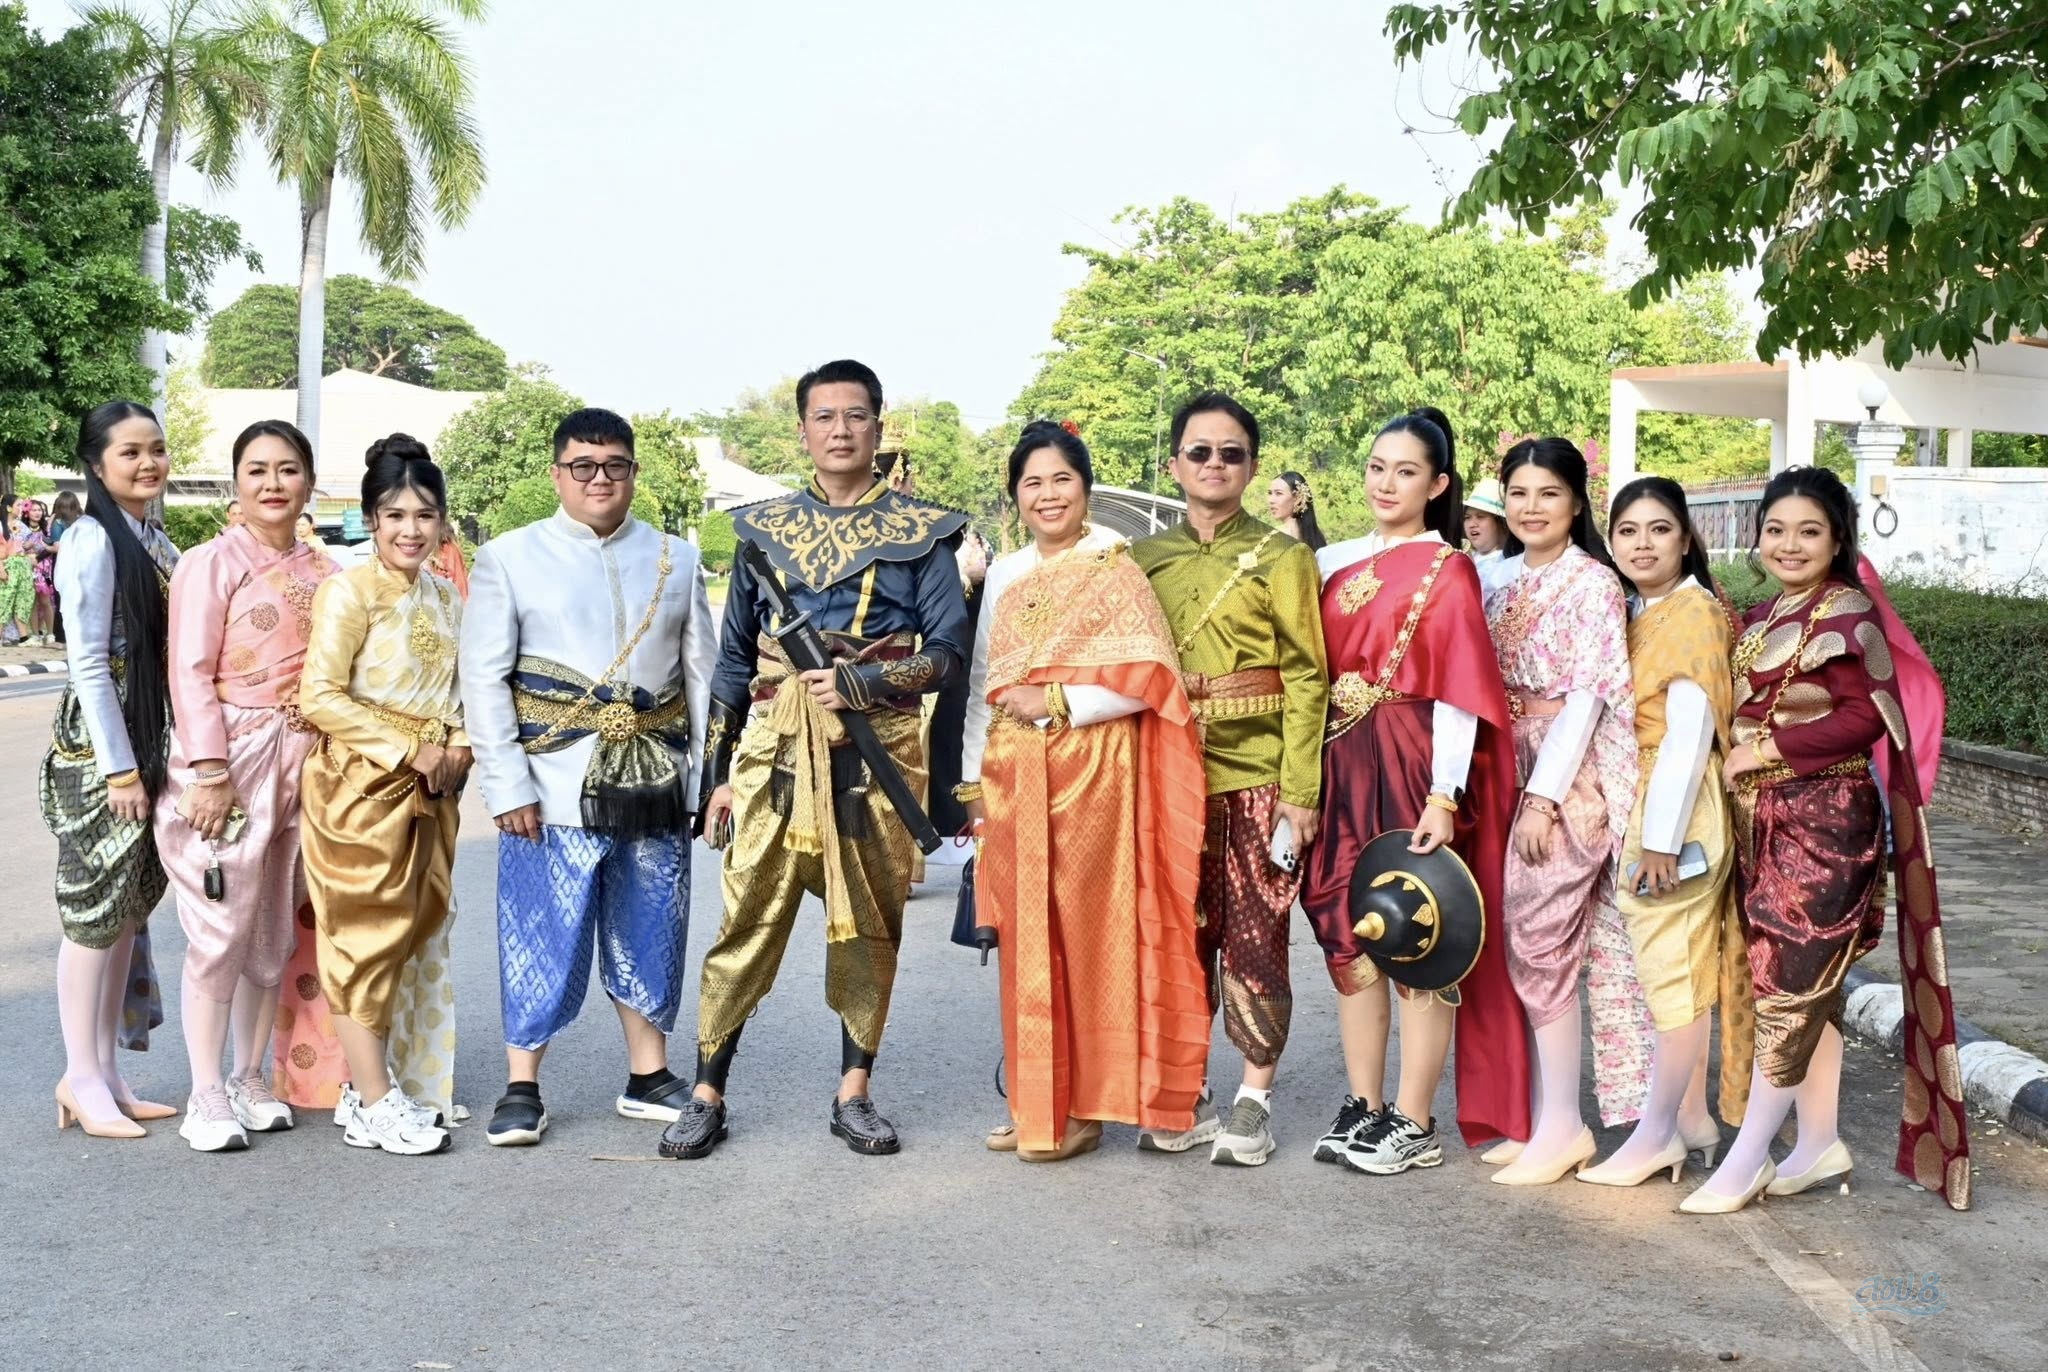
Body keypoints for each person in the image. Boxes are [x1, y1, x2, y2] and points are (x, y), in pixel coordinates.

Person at [666, 359, 969, 1161]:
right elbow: (733, 666)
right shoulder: (760, 531)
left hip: (877, 753)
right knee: (745, 917)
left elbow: (947, 653)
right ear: (803, 430)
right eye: (825, 416)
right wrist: (715, 779)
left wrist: (864, 682)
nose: (841, 430)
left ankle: (853, 1092)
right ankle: (706, 1092)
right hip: (773, 752)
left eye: (855, 415)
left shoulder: (925, 533)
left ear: (878, 427)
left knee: (870, 923)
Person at [1685, 467, 1969, 1212]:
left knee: (1788, 983)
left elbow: (1868, 715)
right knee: (1809, 985)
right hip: (1760, 819)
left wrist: (1768, 748)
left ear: (1838, 539)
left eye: (1809, 531)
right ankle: (1818, 1145)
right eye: (1776, 530)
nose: (1790, 544)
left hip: (1825, 820)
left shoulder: (1849, 615)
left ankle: (1748, 1157)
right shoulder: (1763, 613)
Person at [462, 409, 715, 1147]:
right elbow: (484, 680)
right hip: (550, 786)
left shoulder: (677, 558)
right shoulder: (509, 558)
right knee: (540, 933)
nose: (599, 479)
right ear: (557, 474)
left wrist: (700, 783)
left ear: (633, 472)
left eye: (614, 465)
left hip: (654, 780)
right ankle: (522, 1085)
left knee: (652, 925)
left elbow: (700, 678)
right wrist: (507, 786)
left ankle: (648, 1075)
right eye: (583, 465)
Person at [960, 421, 1208, 1162]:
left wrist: (1060, 700)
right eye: (1032, 483)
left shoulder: (1115, 567)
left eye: (1061, 479)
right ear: (1015, 495)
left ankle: (1085, 1110)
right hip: (1012, 777)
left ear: (1086, 487)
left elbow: (1153, 681)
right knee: (1023, 939)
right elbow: (982, 685)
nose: (1048, 495)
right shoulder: (1006, 574)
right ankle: (1035, 1100)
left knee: (1088, 937)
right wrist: (973, 787)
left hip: (1095, 776)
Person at [1302, 408, 1529, 1175]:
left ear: (1437, 485)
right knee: (1349, 932)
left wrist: (1443, 794)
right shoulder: (1335, 562)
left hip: (1409, 758)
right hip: (1338, 759)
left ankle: (1414, 1118)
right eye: (1377, 467)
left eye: (1406, 472)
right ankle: (1363, 1103)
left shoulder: (1447, 568)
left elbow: (1459, 690)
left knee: (1416, 929)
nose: (1386, 484)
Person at [1130, 391, 1328, 1166]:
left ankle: (1254, 1097)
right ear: (1173, 464)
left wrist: (1300, 790)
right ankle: (1187, 1088)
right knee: (1178, 939)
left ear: (1251, 466)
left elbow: (1308, 676)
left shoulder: (1284, 556)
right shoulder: (1142, 560)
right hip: (1167, 774)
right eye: (1200, 452)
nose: (1215, 464)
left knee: (1256, 932)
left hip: (1258, 774)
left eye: (1232, 453)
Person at [156, 420, 339, 1151]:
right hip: (230, 759)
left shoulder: (327, 571)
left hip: (304, 759)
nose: (272, 483)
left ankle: (248, 1076)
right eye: (257, 469)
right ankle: (204, 1091)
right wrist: (208, 771)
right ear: (236, 482)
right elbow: (189, 672)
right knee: (219, 924)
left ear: (309, 482)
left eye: (287, 469)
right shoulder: (209, 563)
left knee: (271, 926)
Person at [1481, 437, 1651, 1185]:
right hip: (1503, 760)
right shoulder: (1497, 578)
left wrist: (1544, 798)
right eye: (1518, 492)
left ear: (1577, 503)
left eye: (1548, 492)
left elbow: (1588, 696)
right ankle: (1540, 1118)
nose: (1531, 507)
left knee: (1543, 939)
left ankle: (1564, 1126)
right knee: (1519, 944)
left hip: (1565, 776)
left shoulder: (1592, 583)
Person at [1577, 477, 1754, 1188]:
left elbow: (1687, 735)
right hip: (1647, 794)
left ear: (1686, 538)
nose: (1642, 544)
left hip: (1676, 808)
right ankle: (1690, 1120)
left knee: (1672, 973)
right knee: (1672, 967)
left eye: (1658, 529)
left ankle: (1656, 1138)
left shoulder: (1692, 612)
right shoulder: (1641, 609)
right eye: (1627, 531)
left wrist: (1660, 841)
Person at [297, 434, 468, 1155]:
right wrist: (408, 749)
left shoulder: (445, 594)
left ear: (442, 521)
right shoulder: (350, 591)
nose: (410, 529)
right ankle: (373, 1101)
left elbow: (457, 688)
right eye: (395, 515)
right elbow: (319, 694)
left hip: (434, 788)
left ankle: (384, 1085)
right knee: (363, 940)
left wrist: (458, 744)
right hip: (359, 787)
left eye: (425, 514)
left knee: (415, 933)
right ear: (370, 519)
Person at [42, 401, 179, 1139]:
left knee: (128, 909)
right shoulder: (92, 539)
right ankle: (80, 1074)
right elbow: (90, 665)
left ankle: (105, 1073)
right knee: (94, 914)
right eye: (131, 452)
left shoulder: (151, 536)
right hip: (103, 751)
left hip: (149, 737)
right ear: (97, 464)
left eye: (156, 449)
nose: (148, 463)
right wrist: (120, 770)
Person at [1264, 471, 1327, 551]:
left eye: (1279, 493)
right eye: (1270, 493)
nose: (1271, 500)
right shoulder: (1315, 537)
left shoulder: (1278, 535)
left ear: (1297, 498)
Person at [1463, 478, 1509, 565]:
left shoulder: (1507, 563)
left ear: (1501, 523)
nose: (1472, 524)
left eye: (1480, 517)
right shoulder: (1466, 557)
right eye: (1467, 517)